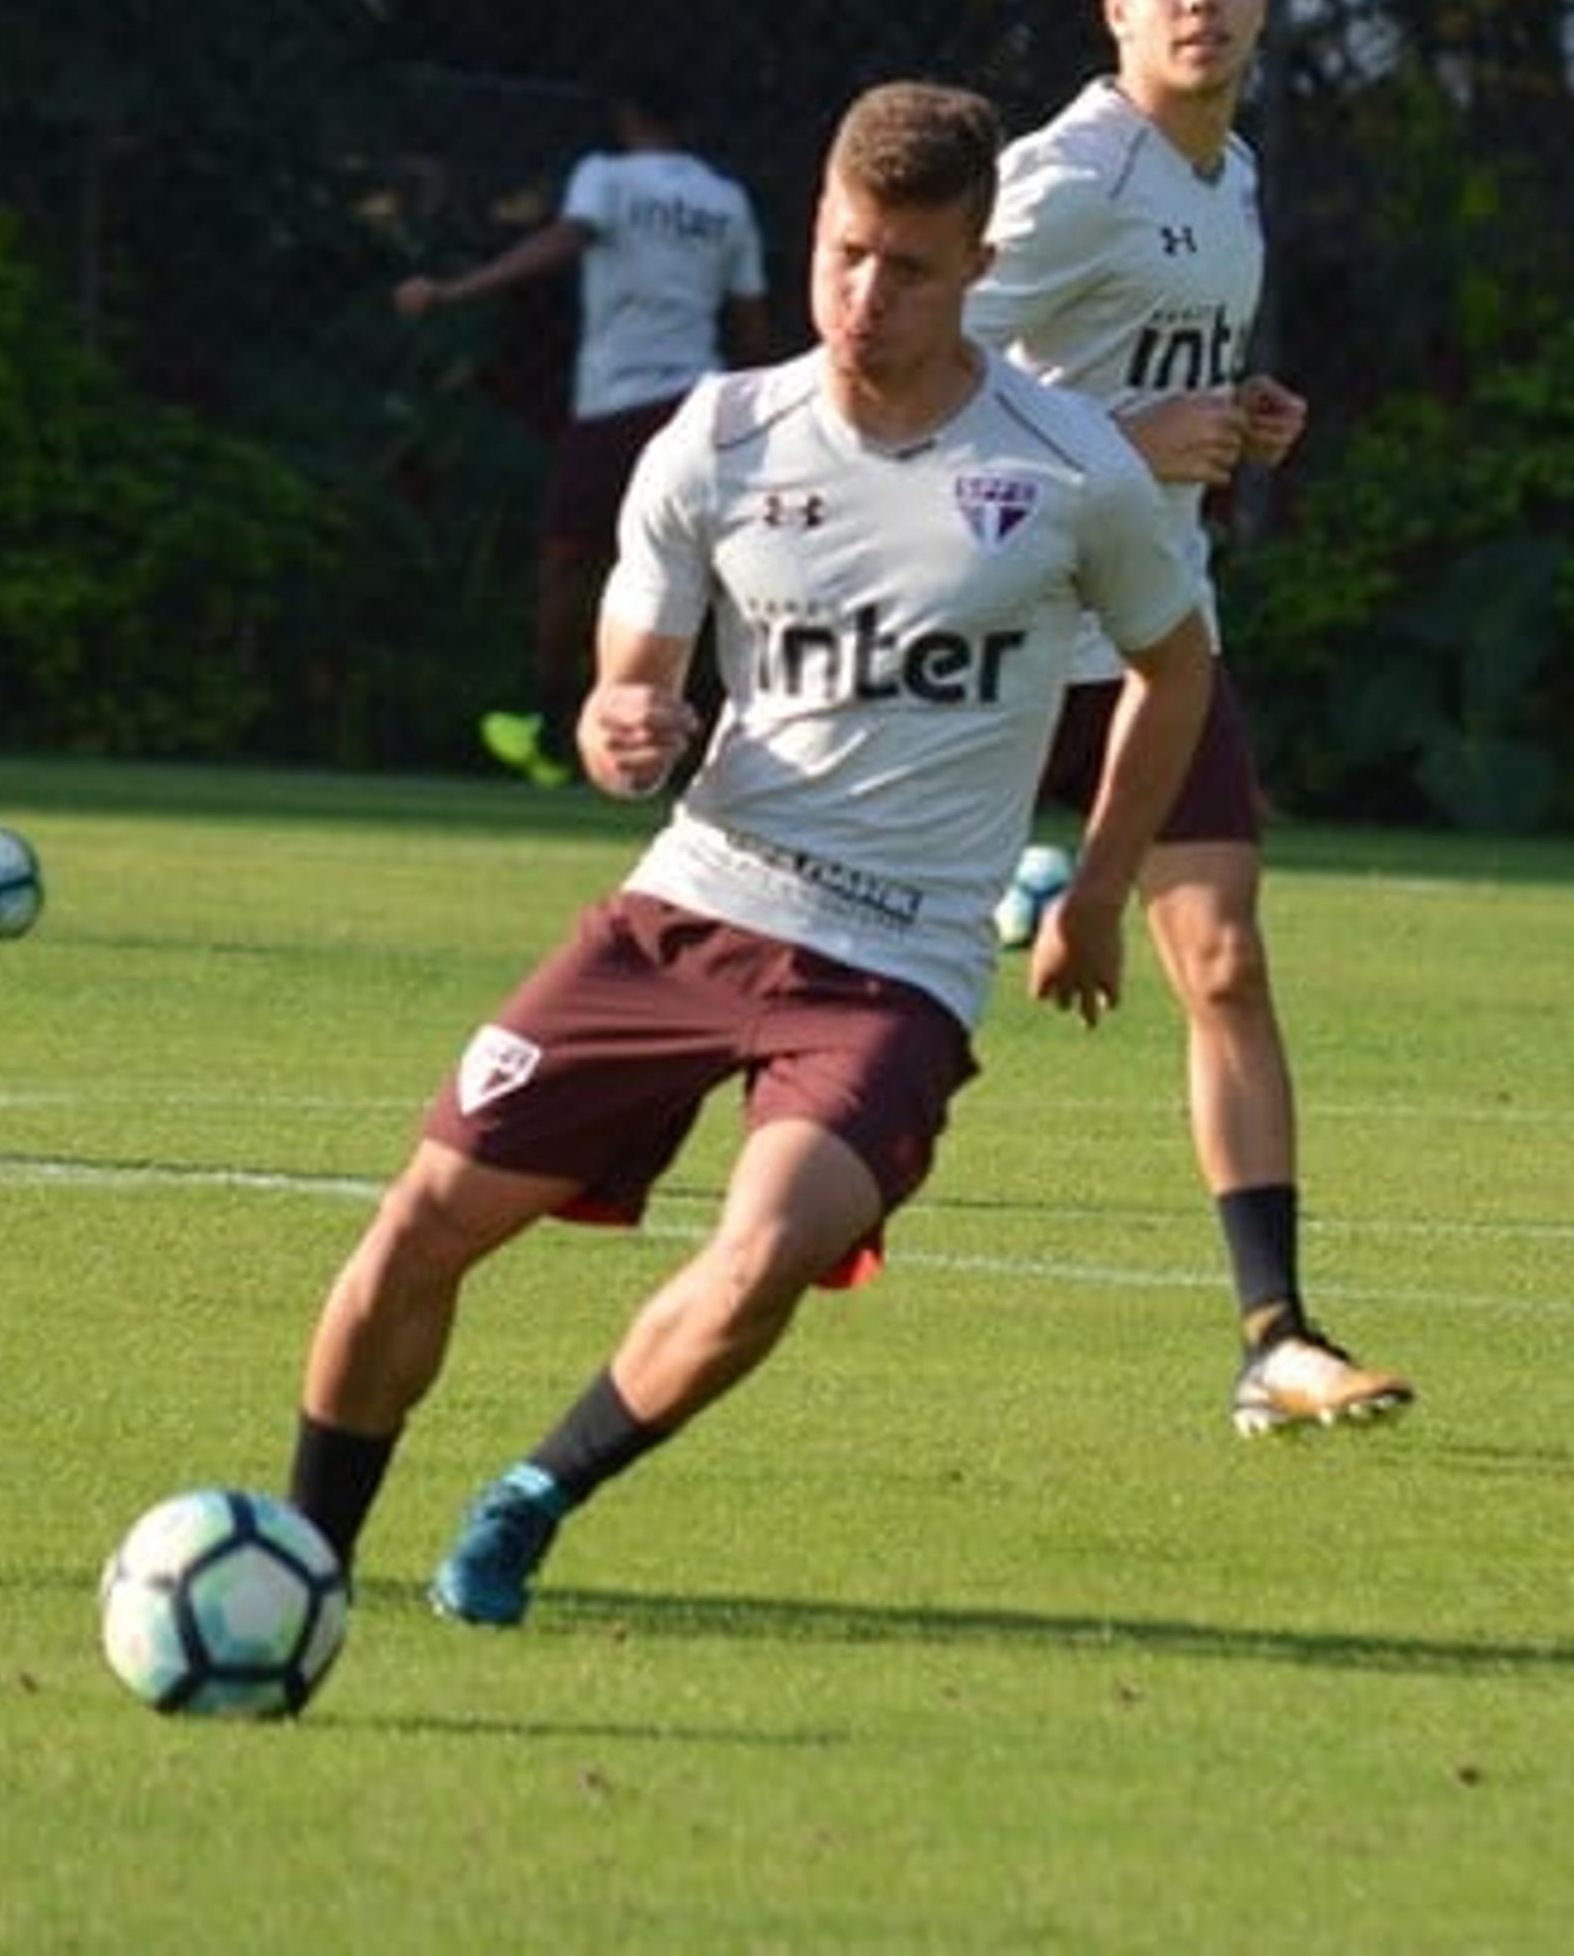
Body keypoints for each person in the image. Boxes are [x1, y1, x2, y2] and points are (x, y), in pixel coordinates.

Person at [288, 79, 1218, 1625]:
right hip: (690, 906)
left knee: (771, 1244)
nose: (868, 294)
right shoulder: (716, 438)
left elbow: (1175, 669)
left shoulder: (1071, 469)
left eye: (911, 267)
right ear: (811, 235)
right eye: (845, 253)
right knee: (416, 1230)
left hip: (896, 962)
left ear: (980, 264)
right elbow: (626, 684)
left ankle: (532, 1496)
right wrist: (618, 727)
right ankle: (303, 1565)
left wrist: (1102, 889)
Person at [966, 0, 1412, 1436]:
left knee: (1222, 958)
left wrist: (1240, 422)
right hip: (992, 623)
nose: (1200, 2)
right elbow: (898, 364)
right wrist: (1127, 430)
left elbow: (1165, 400)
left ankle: (1274, 1334)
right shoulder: (1072, 173)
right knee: (845, 963)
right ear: (1114, 6)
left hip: (1156, 626)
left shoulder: (1232, 176)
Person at [394, 72, 768, 787]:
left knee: (568, 559)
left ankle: (551, 721)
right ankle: (720, 736)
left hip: (615, 404)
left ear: (624, 112)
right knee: (717, 575)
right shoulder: (726, 200)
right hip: (701, 407)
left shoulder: (604, 177)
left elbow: (562, 241)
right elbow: (750, 319)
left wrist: (452, 290)